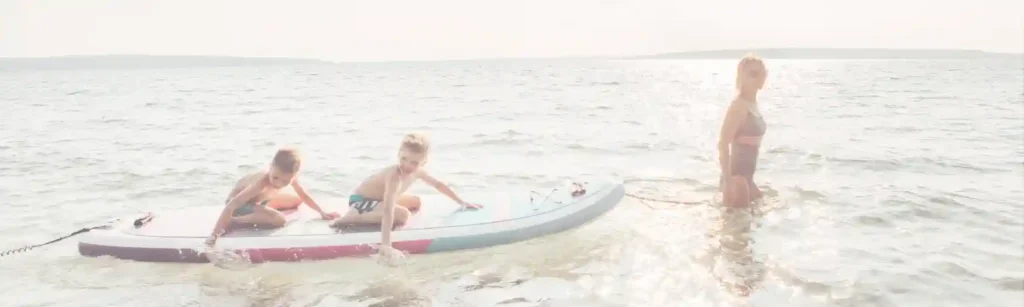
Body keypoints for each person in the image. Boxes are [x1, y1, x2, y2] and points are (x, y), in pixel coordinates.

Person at [329, 132, 481, 257]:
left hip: (378, 199)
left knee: (416, 201)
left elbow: (438, 185)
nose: (407, 165)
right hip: (362, 200)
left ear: (423, 162)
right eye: (404, 159)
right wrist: (386, 245)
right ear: (398, 155)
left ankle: (364, 213)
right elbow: (388, 210)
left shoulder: (418, 172)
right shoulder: (394, 176)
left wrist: (461, 202)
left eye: (414, 163)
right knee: (403, 215)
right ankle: (354, 217)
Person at [205, 148, 340, 247]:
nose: (278, 184)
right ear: (270, 167)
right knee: (279, 219)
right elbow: (232, 204)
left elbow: (303, 194)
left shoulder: (287, 177)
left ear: (294, 176)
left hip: (258, 202)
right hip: (238, 206)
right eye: (275, 178)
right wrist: (214, 236)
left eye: (285, 181)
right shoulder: (261, 182)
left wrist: (322, 212)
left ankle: (260, 211)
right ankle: (235, 221)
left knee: (296, 200)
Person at [717, 54, 768, 208]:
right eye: (753, 74)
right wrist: (728, 183)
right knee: (737, 222)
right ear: (742, 77)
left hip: (748, 178)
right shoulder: (739, 106)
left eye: (762, 73)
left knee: (757, 213)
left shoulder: (753, 104)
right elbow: (723, 144)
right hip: (737, 179)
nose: (759, 78)